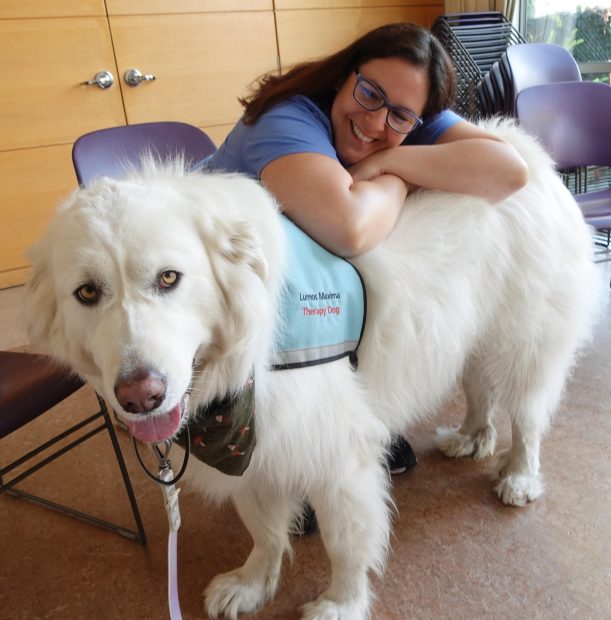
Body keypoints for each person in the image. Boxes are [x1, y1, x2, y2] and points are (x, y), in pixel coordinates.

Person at [202, 23, 528, 478]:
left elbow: (510, 171)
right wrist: (404, 178)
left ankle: (347, 429)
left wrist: (390, 159)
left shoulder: (404, 118)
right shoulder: (286, 118)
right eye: (370, 93)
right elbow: (349, 228)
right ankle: (301, 460)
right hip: (222, 295)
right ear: (344, 75)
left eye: (400, 116)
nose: (376, 122)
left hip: (307, 285)